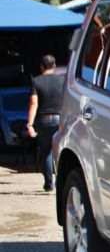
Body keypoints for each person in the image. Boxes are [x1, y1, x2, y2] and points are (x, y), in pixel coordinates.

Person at [26, 54, 65, 192]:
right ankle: (62, 183)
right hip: (61, 120)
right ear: (54, 66)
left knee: (47, 152)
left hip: (44, 121)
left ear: (41, 67)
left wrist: (29, 125)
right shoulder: (63, 81)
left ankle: (49, 184)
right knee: (61, 152)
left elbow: (33, 103)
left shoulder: (36, 81)